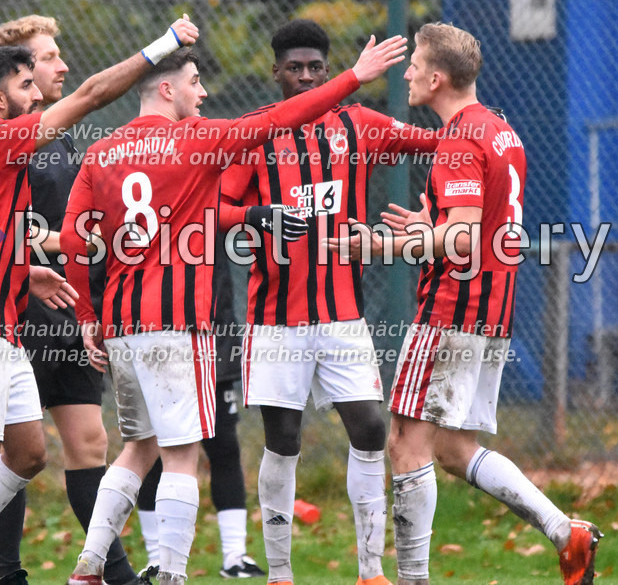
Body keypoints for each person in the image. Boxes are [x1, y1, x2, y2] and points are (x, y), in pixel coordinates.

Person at [61, 34, 408, 585]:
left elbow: (73, 241)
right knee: (180, 456)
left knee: (136, 449)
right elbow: (281, 118)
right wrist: (353, 78)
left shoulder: (100, 151)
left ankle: (88, 565)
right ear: (167, 89)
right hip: (179, 324)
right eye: (195, 83)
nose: (202, 94)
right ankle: (171, 574)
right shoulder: (198, 139)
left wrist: (87, 317)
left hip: (122, 325)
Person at [0, 15, 200, 585]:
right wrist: (165, 44)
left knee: (28, 455)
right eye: (29, 79)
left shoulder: (3, 147)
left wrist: (23, 271)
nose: (43, 85)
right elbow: (92, 96)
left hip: (7, 323)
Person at [325, 22, 602, 585]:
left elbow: (462, 238)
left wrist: (380, 245)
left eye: (414, 63)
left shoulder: (458, 139)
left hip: (452, 308)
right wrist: (431, 225)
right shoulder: (500, 131)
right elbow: (477, 222)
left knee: (406, 444)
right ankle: (565, 532)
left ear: (437, 78)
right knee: (453, 448)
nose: (406, 72)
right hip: (492, 308)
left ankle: (413, 580)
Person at [217, 19, 438, 585]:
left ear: (327, 69)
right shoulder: (255, 134)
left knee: (370, 428)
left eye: (316, 67)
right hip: (276, 321)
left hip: (343, 317)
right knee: (283, 440)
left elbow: (433, 142)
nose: (307, 76)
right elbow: (213, 209)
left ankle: (370, 571)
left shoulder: (358, 124)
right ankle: (280, 574)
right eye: (295, 68)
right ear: (276, 72)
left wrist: (478, 124)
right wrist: (255, 216)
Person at [0, 15, 142, 585]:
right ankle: (8, 573)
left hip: (73, 311)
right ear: (17, 73)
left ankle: (110, 573)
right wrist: (40, 251)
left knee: (90, 442)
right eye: (48, 58)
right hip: (18, 315)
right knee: (19, 455)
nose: (62, 66)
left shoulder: (62, 137)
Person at [135, 233, 266, 580]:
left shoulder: (211, 204)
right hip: (155, 339)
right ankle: (155, 558)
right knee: (151, 450)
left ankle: (235, 556)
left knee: (224, 446)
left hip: (213, 340)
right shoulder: (140, 209)